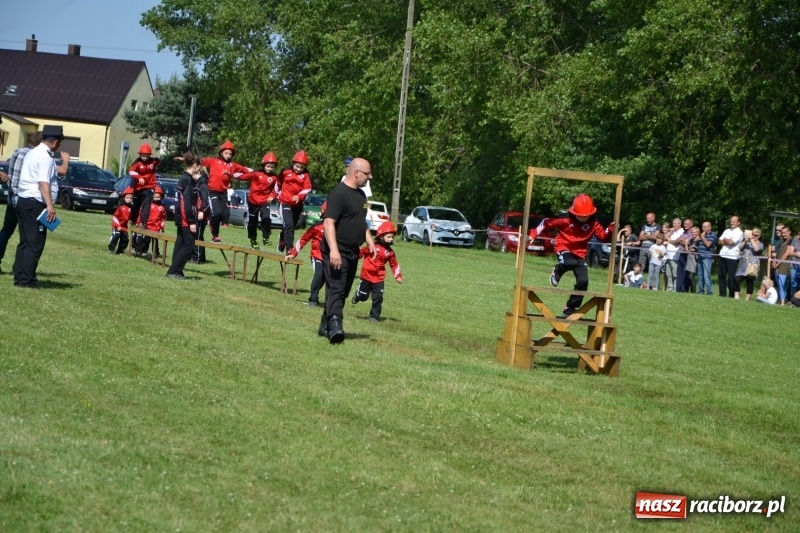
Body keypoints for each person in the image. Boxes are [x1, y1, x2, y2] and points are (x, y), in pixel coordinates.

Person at [319, 157, 376, 343]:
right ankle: (336, 326)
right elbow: (328, 222)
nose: (370, 177)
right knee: (337, 286)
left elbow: (361, 222)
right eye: (367, 174)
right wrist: (334, 250)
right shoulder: (339, 193)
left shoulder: (361, 196)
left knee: (343, 290)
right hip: (336, 248)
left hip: (353, 250)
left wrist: (370, 242)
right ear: (356, 172)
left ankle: (324, 323)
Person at [530, 193, 614, 317]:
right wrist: (533, 234)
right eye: (580, 216)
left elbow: (602, 236)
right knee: (569, 262)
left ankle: (570, 307)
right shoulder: (565, 219)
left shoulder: (594, 223)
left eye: (587, 216)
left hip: (580, 253)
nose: (584, 219)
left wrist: (611, 230)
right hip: (563, 246)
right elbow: (546, 222)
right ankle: (557, 270)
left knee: (584, 281)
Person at [12, 125, 67, 288]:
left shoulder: (32, 152)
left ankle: (20, 275)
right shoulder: (45, 158)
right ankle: (27, 280)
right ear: (56, 142)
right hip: (35, 202)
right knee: (35, 243)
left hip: (23, 201)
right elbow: (43, 182)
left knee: (25, 241)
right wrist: (50, 205)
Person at [0, 131, 47, 273]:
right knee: (26, 237)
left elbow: (12, 174)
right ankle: (19, 267)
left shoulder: (16, 152)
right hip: (26, 200)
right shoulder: (36, 156)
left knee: (6, 232)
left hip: (12, 199)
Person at [166, 153, 208, 280]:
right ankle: (174, 271)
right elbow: (187, 202)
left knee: (180, 243)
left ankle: (176, 270)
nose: (199, 169)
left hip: (180, 216)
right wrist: (191, 221)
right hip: (185, 217)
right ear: (194, 165)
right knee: (189, 245)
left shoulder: (183, 177)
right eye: (198, 166)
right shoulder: (188, 180)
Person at [351, 221, 404, 321]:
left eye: (392, 237)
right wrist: (352, 258)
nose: (391, 239)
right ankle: (357, 296)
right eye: (389, 237)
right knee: (363, 296)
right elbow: (361, 252)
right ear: (381, 236)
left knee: (378, 298)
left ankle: (374, 317)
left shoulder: (390, 253)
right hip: (366, 276)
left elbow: (394, 265)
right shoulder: (372, 247)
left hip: (379, 278)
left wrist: (398, 276)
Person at [200, 141, 251, 243]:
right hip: (212, 191)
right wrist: (185, 159)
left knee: (225, 215)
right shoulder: (213, 161)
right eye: (226, 153)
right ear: (221, 153)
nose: (228, 156)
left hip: (223, 192)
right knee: (217, 213)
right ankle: (215, 235)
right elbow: (197, 161)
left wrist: (257, 174)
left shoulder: (233, 165)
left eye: (230, 154)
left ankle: (213, 223)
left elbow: (246, 170)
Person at [286, 201, 327, 307]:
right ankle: (312, 300)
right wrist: (293, 253)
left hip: (329, 258)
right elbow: (303, 239)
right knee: (319, 275)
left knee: (325, 277)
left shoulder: (338, 227)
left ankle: (321, 299)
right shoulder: (317, 227)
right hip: (317, 255)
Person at [238, 152, 280, 249]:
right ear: (264, 165)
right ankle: (253, 239)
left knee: (266, 218)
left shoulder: (274, 178)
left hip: (264, 201)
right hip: (253, 201)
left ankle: (266, 236)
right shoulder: (256, 174)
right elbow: (243, 177)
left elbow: (277, 189)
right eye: (268, 166)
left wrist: (272, 196)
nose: (270, 169)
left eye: (272, 167)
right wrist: (230, 174)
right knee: (253, 221)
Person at [277, 150, 313, 252]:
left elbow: (308, 188)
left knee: (292, 226)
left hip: (297, 205)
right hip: (285, 202)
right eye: (297, 166)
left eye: (302, 167)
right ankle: (289, 248)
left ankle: (282, 237)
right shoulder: (285, 172)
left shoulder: (306, 175)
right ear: (293, 163)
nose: (299, 169)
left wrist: (299, 196)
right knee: (289, 224)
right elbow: (278, 182)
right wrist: (274, 194)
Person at [128, 143, 160, 228]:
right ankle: (133, 220)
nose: (145, 158)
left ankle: (143, 222)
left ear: (149, 155)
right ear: (140, 155)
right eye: (143, 156)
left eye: (147, 156)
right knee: (136, 204)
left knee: (147, 202)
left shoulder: (153, 161)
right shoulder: (137, 162)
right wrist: (138, 177)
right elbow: (131, 171)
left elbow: (158, 160)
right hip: (138, 187)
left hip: (150, 186)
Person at [135, 185, 168, 257]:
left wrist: (162, 226)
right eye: (155, 197)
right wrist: (140, 222)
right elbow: (142, 214)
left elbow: (163, 217)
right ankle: (143, 250)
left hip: (156, 226)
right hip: (148, 225)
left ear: (161, 197)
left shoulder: (162, 207)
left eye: (158, 197)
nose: (156, 198)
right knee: (146, 239)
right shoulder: (148, 205)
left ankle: (156, 252)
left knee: (155, 240)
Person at [718, 215, 744, 298]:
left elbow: (731, 243)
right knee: (721, 276)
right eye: (731, 221)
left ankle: (732, 295)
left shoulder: (739, 232)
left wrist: (725, 240)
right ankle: (722, 294)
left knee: (731, 278)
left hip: (732, 257)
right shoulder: (727, 230)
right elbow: (719, 242)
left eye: (734, 221)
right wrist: (727, 240)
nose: (731, 223)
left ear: (738, 223)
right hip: (723, 255)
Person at [734, 228, 764, 301]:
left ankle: (747, 299)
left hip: (752, 266)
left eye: (756, 235)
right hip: (743, 266)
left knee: (749, 282)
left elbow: (757, 250)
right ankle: (736, 296)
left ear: (759, 236)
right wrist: (745, 241)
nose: (754, 236)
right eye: (753, 234)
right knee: (736, 279)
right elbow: (740, 247)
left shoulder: (760, 244)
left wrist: (752, 241)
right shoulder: (747, 242)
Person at [772, 225, 794, 304]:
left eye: (785, 233)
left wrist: (778, 262)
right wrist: (775, 261)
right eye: (782, 233)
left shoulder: (791, 240)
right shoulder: (783, 241)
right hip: (779, 265)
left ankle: (782, 302)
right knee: (780, 284)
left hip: (784, 266)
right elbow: (779, 253)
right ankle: (782, 300)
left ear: (789, 232)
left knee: (782, 284)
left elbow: (787, 253)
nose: (783, 234)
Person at [109, 187, 134, 254]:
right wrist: (118, 226)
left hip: (124, 227)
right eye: (127, 198)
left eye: (131, 198)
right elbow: (115, 217)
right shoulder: (120, 207)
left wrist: (131, 220)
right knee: (117, 234)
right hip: (117, 225)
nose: (129, 200)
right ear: (123, 198)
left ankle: (120, 251)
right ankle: (111, 249)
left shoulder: (131, 208)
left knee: (126, 239)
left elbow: (130, 217)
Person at [696, 221, 718, 295]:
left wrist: (702, 237)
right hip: (700, 257)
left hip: (707, 258)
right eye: (702, 227)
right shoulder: (702, 235)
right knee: (700, 276)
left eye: (705, 227)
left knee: (706, 276)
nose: (703, 228)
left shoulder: (713, 235)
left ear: (710, 227)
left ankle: (709, 292)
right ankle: (701, 291)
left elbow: (708, 244)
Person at [638, 212, 660, 280]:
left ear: (653, 218)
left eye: (649, 218)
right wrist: (651, 236)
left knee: (653, 266)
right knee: (640, 266)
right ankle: (639, 281)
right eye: (647, 218)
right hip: (643, 248)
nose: (647, 220)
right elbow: (640, 237)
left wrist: (646, 235)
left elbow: (655, 237)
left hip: (653, 249)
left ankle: (652, 284)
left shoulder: (658, 226)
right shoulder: (644, 226)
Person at [664, 218, 682, 291]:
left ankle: (675, 288)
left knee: (675, 274)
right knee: (668, 273)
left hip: (675, 256)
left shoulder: (681, 232)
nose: (673, 225)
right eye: (673, 224)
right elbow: (665, 238)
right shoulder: (672, 232)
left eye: (675, 224)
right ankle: (670, 288)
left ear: (679, 224)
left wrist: (669, 241)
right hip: (668, 256)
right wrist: (670, 233)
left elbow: (677, 242)